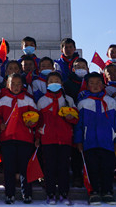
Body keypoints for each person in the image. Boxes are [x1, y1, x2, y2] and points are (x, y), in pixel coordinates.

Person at [74, 72, 116, 205]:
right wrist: (78, 141)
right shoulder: (83, 103)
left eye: (98, 83)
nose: (95, 85)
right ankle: (93, 192)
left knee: (107, 169)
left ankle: (107, 192)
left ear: (103, 84)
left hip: (107, 142)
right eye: (92, 83)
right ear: (87, 85)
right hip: (89, 143)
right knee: (92, 169)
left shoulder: (111, 102)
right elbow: (79, 125)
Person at [0, 73, 39, 204]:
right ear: (7, 85)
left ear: (23, 85)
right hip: (7, 139)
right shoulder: (2, 101)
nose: (15, 86)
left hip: (25, 139)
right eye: (12, 84)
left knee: (25, 168)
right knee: (9, 168)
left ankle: (27, 193)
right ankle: (9, 193)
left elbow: (36, 117)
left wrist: (32, 122)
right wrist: (0, 125)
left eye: (18, 84)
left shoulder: (28, 100)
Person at [36, 71, 77, 205]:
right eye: (51, 81)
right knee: (50, 167)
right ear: (47, 84)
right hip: (48, 139)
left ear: (62, 83)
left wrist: (70, 117)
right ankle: (51, 193)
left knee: (63, 167)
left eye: (57, 81)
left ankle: (64, 194)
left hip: (64, 139)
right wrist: (37, 138)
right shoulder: (42, 100)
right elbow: (38, 122)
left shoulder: (68, 100)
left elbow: (76, 119)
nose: (54, 83)